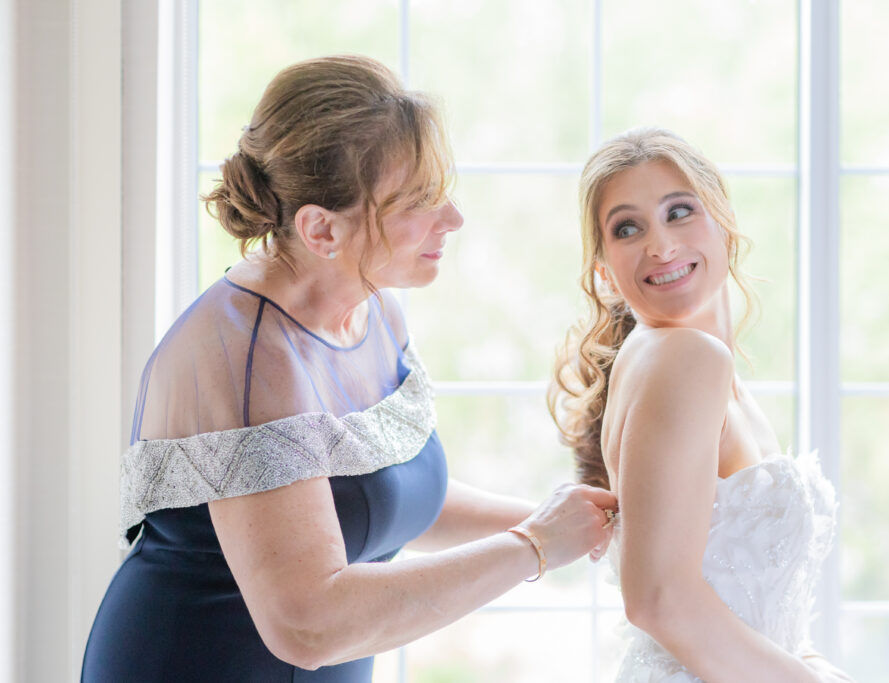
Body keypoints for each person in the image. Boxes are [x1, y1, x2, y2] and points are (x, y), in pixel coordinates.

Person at [81, 55, 617, 682]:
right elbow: (310, 627)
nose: (452, 219)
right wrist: (533, 548)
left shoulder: (374, 307)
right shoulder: (251, 355)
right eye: (419, 200)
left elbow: (388, 499)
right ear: (321, 230)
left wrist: (566, 518)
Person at [550, 128, 855, 682]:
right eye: (627, 228)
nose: (661, 246)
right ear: (604, 271)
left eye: (680, 212)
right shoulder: (684, 359)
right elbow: (658, 599)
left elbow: (760, 616)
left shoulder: (705, 369)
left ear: (724, 224)